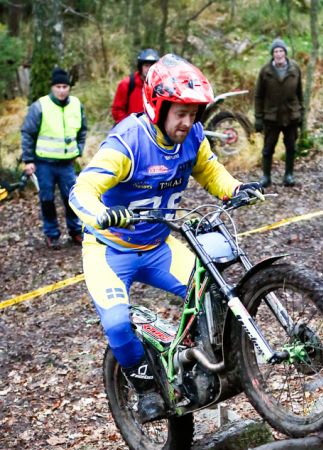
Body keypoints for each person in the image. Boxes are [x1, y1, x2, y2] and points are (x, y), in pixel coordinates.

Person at [69, 54, 262, 423]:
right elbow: (82, 190)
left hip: (159, 246)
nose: (188, 122)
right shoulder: (128, 142)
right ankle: (146, 391)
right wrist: (102, 214)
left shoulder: (193, 138)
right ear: (157, 108)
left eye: (194, 113)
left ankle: (198, 364)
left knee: (212, 292)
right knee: (117, 325)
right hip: (110, 250)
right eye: (181, 113)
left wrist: (235, 189)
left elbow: (210, 172)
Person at [21, 67, 87, 249]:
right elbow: (27, 133)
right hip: (44, 163)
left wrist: (79, 149)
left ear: (69, 88)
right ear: (52, 87)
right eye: (58, 87)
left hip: (67, 163)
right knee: (47, 199)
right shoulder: (40, 106)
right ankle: (52, 234)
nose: (62, 90)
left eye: (65, 87)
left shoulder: (76, 105)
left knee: (71, 198)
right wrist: (28, 160)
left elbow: (82, 130)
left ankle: (75, 230)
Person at [254, 38, 304, 187]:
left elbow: (300, 93)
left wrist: (301, 114)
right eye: (276, 51)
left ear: (285, 53)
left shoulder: (295, 69)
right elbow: (258, 96)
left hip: (291, 115)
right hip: (271, 117)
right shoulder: (265, 71)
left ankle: (289, 175)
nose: (279, 54)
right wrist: (258, 118)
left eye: (281, 51)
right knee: (268, 149)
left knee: (291, 147)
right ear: (272, 54)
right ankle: (266, 176)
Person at [111, 48, 160, 123]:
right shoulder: (127, 83)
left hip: (152, 127)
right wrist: (128, 125)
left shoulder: (159, 86)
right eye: (146, 65)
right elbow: (117, 110)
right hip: (130, 127)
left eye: (152, 66)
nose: (149, 69)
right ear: (140, 67)